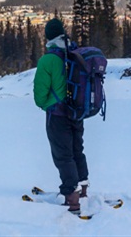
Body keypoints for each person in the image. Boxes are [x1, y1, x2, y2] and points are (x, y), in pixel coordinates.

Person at [33, 18, 89, 215]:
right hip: (77, 113)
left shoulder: (48, 60)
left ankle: (72, 200)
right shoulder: (73, 53)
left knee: (63, 155)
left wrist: (48, 102)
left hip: (57, 115)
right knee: (77, 150)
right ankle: (83, 190)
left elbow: (39, 96)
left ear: (48, 37)